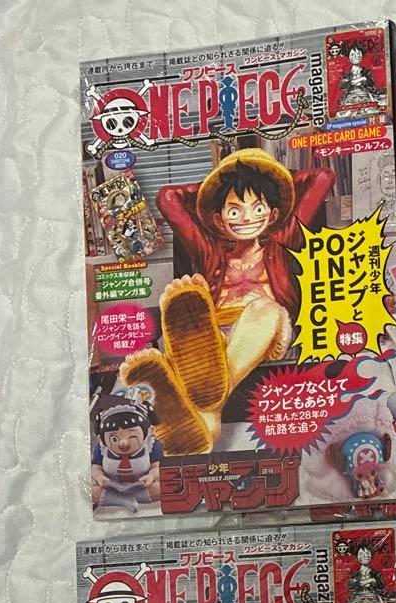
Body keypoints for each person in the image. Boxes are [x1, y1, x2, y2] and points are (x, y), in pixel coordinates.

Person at [121, 149, 334, 454]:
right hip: (212, 338)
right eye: (234, 211)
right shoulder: (210, 250)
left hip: (264, 332)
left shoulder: (283, 241)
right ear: (219, 221)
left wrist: (256, 173)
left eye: (257, 208)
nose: (247, 217)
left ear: (274, 215)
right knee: (192, 323)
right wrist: (217, 185)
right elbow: (168, 198)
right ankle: (202, 422)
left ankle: (207, 410)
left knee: (265, 309)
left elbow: (323, 177)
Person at [90, 393, 163, 510]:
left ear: (149, 432)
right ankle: (122, 501)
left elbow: (157, 467)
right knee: (90, 491)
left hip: (142, 486)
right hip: (111, 487)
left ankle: (128, 498)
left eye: (132, 436)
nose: (123, 443)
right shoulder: (101, 449)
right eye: (114, 438)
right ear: (103, 439)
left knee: (161, 487)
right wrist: (100, 477)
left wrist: (151, 476)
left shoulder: (152, 445)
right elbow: (96, 468)